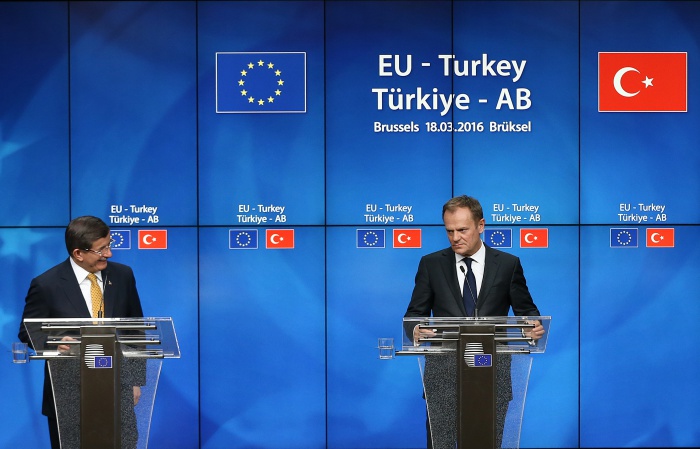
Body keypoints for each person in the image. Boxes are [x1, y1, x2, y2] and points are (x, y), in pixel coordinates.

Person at [404, 195, 544, 449]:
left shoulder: (508, 265)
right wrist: (415, 329)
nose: (455, 237)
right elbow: (413, 315)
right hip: (443, 376)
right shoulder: (431, 264)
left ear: (481, 225)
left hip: (492, 374)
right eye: (449, 231)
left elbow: (527, 311)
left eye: (462, 230)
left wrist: (532, 326)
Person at [18, 216, 145, 449]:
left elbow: (135, 328)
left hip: (117, 388)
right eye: (101, 249)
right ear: (78, 253)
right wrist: (54, 342)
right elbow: (28, 331)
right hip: (68, 394)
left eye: (109, 245)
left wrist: (135, 380)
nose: (109, 254)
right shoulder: (47, 284)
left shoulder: (123, 276)